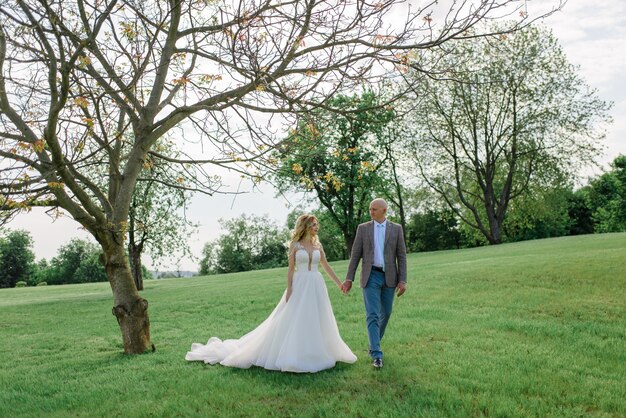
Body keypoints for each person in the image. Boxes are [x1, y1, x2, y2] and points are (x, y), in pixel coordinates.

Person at [185, 214, 357, 373]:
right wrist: (290, 289)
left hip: (316, 284)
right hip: (300, 284)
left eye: (316, 224)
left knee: (317, 317)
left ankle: (318, 351)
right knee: (294, 317)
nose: (316, 227)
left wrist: (339, 284)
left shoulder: (317, 244)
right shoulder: (295, 245)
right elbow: (290, 270)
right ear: (305, 226)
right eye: (313, 224)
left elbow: (325, 266)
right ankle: (294, 354)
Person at [343, 198, 407, 369]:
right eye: (370, 209)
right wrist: (349, 278)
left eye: (374, 209)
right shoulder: (363, 229)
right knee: (372, 314)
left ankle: (373, 344)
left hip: (390, 277)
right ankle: (377, 355)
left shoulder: (397, 229)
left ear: (384, 211)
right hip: (370, 276)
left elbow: (401, 256)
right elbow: (355, 255)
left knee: (385, 312)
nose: (371, 212)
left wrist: (403, 280)